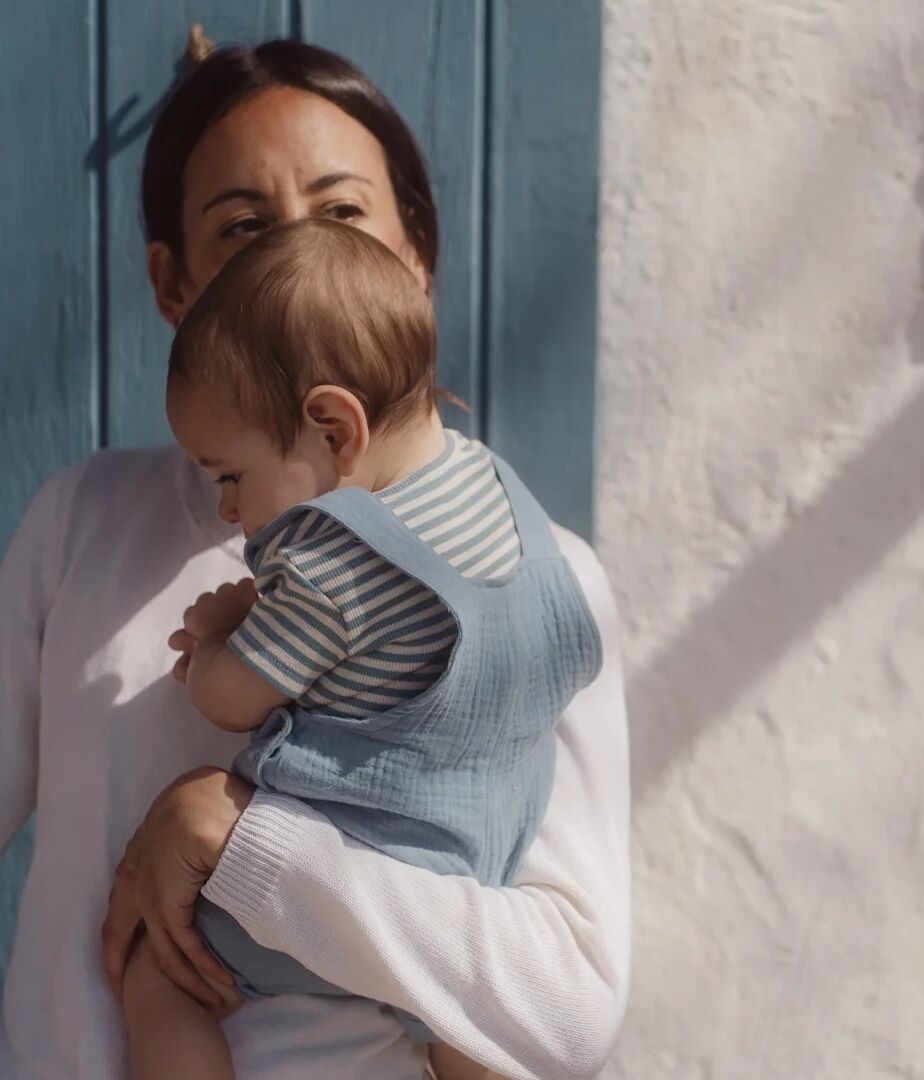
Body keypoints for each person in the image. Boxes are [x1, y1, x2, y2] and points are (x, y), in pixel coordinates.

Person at [0, 37, 629, 1080]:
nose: (294, 253)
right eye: (243, 227)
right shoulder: (82, 523)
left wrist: (239, 841)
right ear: (173, 285)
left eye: (342, 214)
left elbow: (567, 1013)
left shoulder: (538, 576)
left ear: (413, 256)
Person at [123, 217, 603, 1079]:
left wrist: (217, 636)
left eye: (231, 474)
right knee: (476, 1033)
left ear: (334, 429)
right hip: (472, 885)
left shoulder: (329, 560)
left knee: (156, 973)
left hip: (332, 880)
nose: (227, 509)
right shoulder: (503, 497)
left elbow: (230, 699)